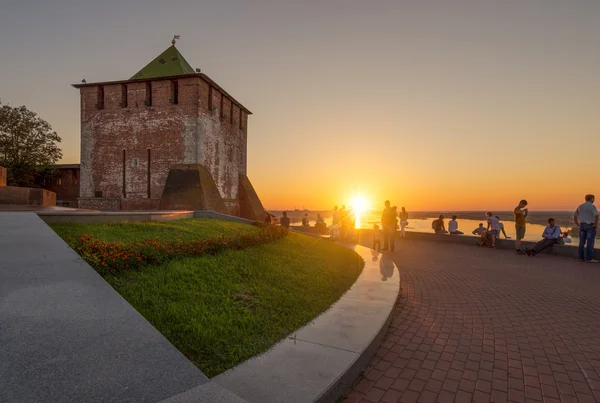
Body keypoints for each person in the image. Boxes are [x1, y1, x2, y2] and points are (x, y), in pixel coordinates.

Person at [574, 194, 599, 263]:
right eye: (593, 199)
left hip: (582, 225)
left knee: (581, 242)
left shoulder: (580, 206)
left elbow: (575, 216)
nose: (594, 200)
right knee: (590, 242)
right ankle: (589, 258)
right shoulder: (592, 206)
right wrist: (596, 224)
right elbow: (596, 216)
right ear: (591, 199)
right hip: (590, 225)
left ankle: (581, 257)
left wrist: (578, 224)